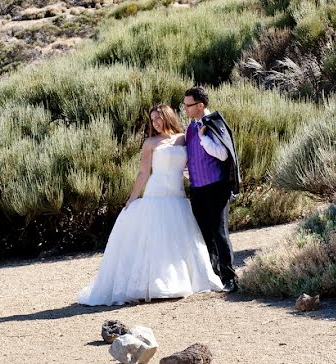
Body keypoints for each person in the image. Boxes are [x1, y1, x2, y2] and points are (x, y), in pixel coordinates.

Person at [77, 104, 223, 306]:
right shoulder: (150, 143)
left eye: (158, 118)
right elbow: (144, 172)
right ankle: (152, 285)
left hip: (178, 196)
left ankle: (181, 281)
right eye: (152, 119)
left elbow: (193, 164)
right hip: (157, 194)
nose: (155, 123)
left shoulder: (183, 137)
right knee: (155, 238)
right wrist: (133, 197)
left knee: (177, 239)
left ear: (168, 117)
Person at [181, 86, 242, 293]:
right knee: (206, 234)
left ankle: (230, 278)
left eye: (188, 105)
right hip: (197, 189)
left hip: (216, 188)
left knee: (219, 232)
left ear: (200, 105)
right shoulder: (189, 128)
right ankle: (215, 276)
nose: (185, 109)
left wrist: (204, 138)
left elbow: (223, 154)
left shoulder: (214, 124)